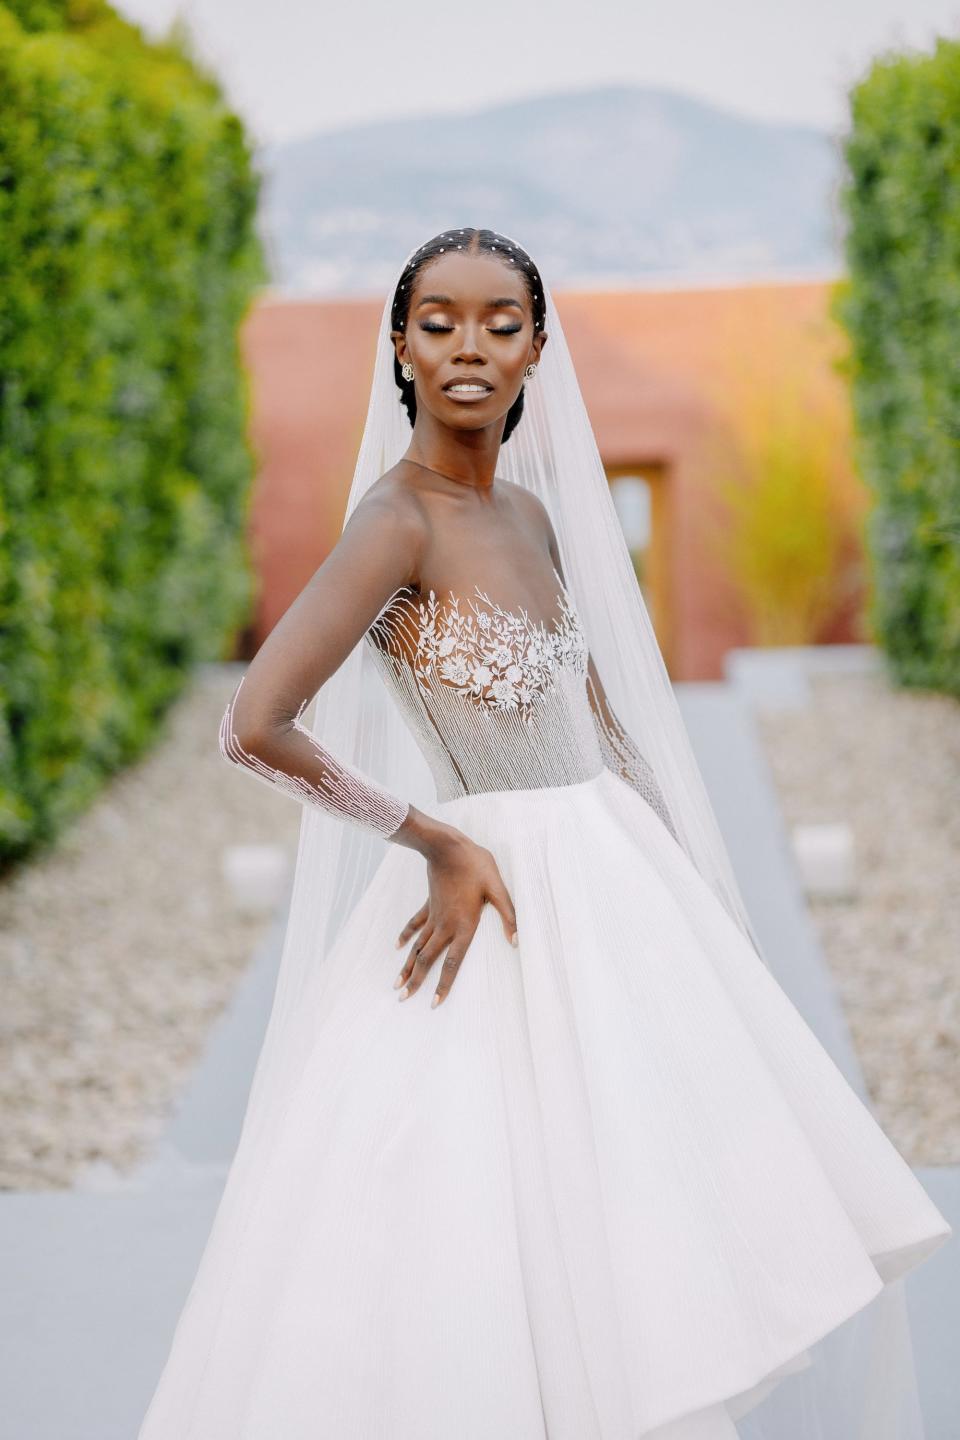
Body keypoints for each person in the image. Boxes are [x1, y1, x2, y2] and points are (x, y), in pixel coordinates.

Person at [138, 229, 951, 1440]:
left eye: (501, 322)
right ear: (401, 350)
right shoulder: (394, 523)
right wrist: (434, 841)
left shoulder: (530, 512)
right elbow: (252, 726)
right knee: (482, 1208)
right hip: (493, 896)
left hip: (613, 887)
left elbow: (599, 712)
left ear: (537, 347)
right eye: (440, 323)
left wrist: (670, 872)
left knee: (637, 1205)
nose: (470, 347)